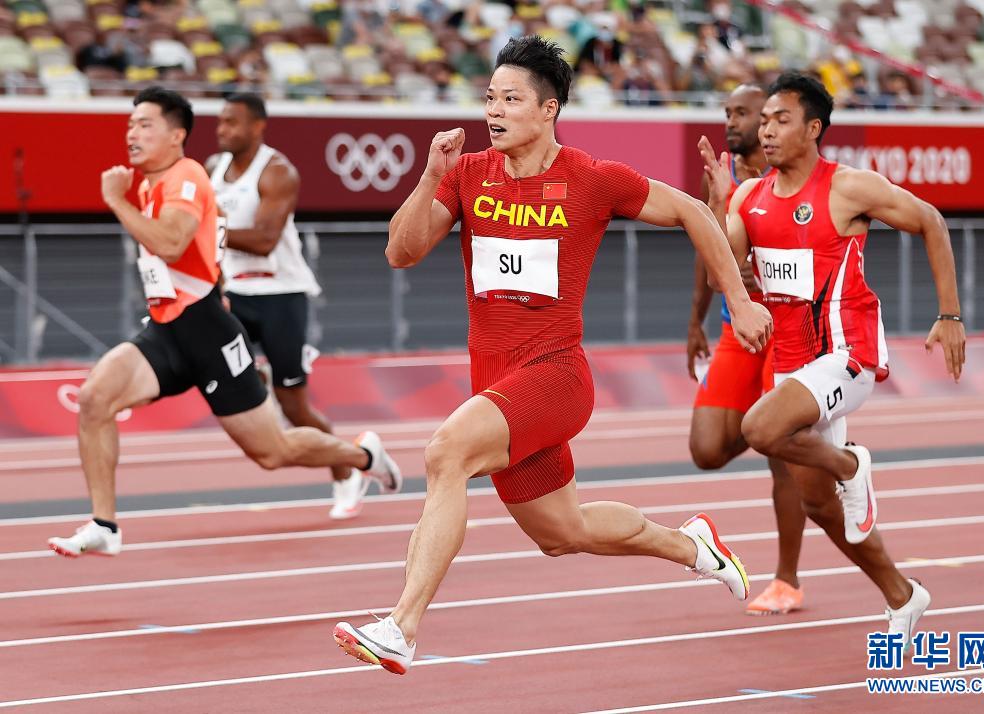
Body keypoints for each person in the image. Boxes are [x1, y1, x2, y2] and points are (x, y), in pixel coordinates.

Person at [332, 36, 773, 675]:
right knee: (564, 533)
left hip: (555, 375)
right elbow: (401, 252)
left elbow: (694, 214)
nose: (494, 110)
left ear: (549, 110)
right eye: (489, 97)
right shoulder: (467, 174)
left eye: (511, 99)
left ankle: (401, 626)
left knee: (445, 453)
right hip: (497, 379)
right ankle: (693, 545)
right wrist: (430, 173)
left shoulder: (591, 179)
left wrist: (740, 297)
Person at [48, 87, 400, 557]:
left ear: (176, 136)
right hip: (168, 328)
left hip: (213, 335)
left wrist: (117, 202)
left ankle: (363, 456)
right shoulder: (154, 182)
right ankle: (104, 525)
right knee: (94, 399)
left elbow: (172, 244)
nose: (132, 133)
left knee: (273, 452)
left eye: (145, 124)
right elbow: (195, 254)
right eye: (130, 124)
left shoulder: (188, 176)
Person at [703, 72, 965, 646]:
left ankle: (851, 466)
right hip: (789, 363)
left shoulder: (849, 187)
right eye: (763, 121)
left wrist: (949, 315)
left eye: (780, 120)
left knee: (758, 427)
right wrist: (717, 212)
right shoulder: (749, 196)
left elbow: (931, 221)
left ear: (813, 128)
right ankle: (903, 594)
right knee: (820, 507)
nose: (766, 131)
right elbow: (730, 274)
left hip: (847, 357)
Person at [206, 93, 398, 520]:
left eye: (232, 123)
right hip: (234, 292)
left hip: (281, 295)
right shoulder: (211, 169)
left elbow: (263, 240)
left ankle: (349, 466)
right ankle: (256, 377)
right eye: (220, 123)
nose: (223, 131)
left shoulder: (277, 172)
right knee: (204, 355)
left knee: (294, 406)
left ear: (257, 127)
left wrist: (206, 226)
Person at [688, 84, 806, 616]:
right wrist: (695, 321)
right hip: (739, 330)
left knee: (779, 453)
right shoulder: (723, 177)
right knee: (707, 449)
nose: (732, 122)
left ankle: (786, 580)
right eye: (727, 112)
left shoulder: (791, 181)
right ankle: (811, 450)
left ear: (770, 121)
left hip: (787, 333)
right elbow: (707, 251)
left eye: (743, 113)